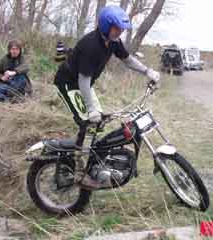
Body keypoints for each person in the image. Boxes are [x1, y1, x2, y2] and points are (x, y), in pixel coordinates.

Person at [54, 6, 161, 188]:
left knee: (97, 123)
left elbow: (127, 59)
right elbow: (83, 80)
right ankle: (71, 172)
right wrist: (90, 109)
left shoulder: (113, 41)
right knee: (88, 122)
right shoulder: (91, 45)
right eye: (116, 28)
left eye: (121, 29)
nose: (119, 32)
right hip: (69, 83)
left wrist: (147, 71)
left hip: (84, 84)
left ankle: (91, 164)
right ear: (106, 26)